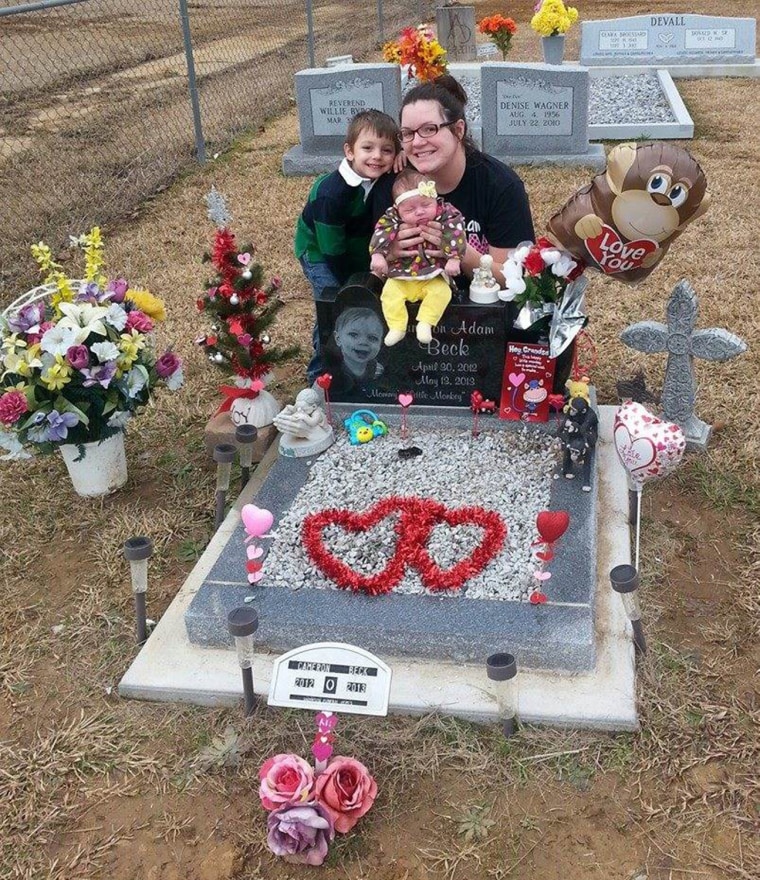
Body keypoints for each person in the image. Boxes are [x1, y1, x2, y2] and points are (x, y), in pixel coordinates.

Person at [370, 75, 535, 291]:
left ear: (458, 130)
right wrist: (387, 254)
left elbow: (514, 280)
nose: (418, 142)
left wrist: (460, 250)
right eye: (408, 133)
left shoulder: (500, 186)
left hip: (480, 315)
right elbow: (369, 275)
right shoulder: (392, 185)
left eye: (429, 129)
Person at [294, 109, 400, 381]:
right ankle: (321, 372)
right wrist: (350, 287)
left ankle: (368, 367)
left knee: (367, 300)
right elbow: (332, 251)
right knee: (334, 305)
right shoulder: (332, 192)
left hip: (355, 247)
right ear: (349, 151)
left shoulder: (383, 179)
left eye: (387, 150)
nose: (377, 156)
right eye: (368, 148)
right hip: (321, 252)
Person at [369, 169, 466, 345]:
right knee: (389, 294)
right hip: (401, 272)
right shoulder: (392, 217)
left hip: (433, 272)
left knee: (442, 293)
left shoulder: (446, 213)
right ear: (398, 209)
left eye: (425, 205)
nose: (420, 212)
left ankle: (426, 323)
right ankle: (397, 327)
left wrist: (454, 258)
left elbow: (456, 231)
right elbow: (381, 232)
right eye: (410, 209)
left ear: (435, 200)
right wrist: (378, 254)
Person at [323, 305, 385, 396]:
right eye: (354, 335)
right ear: (338, 338)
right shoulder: (332, 368)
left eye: (372, 338)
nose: (363, 342)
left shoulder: (378, 370)